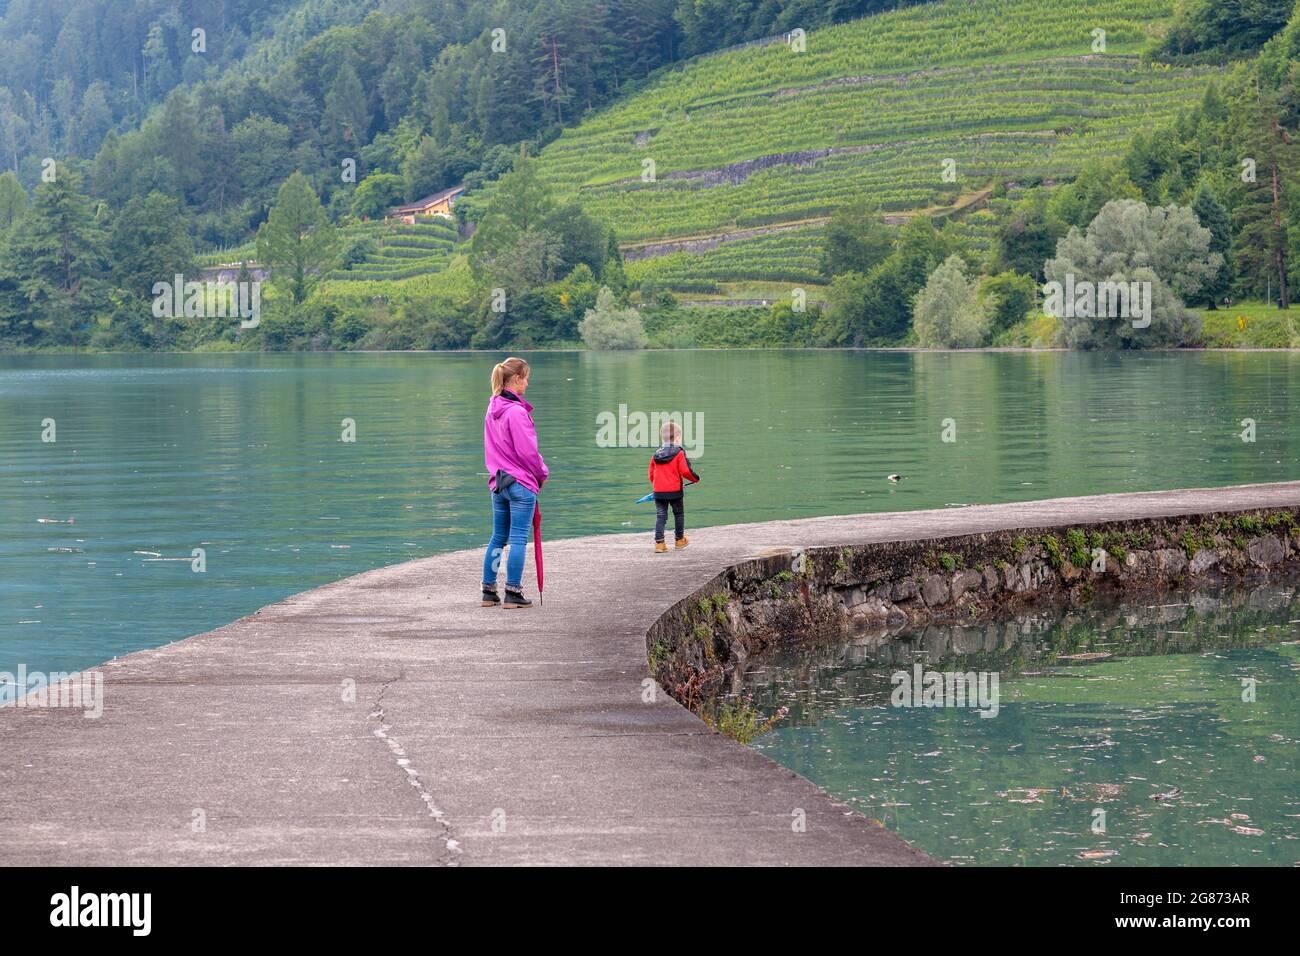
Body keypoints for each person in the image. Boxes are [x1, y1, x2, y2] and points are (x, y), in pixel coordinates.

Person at [481, 357, 548, 608]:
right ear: (517, 379)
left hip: (498, 484)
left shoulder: (491, 409)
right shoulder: (517, 412)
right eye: (526, 378)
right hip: (520, 484)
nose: (528, 384)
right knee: (518, 538)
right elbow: (528, 453)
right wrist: (542, 473)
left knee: (498, 536)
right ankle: (513, 592)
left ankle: (488, 590)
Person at [648, 421, 700, 553]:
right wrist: (695, 479)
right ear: (677, 438)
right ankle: (679, 540)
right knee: (678, 514)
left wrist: (658, 485)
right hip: (675, 491)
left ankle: (659, 544)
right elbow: (685, 471)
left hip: (658, 492)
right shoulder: (679, 453)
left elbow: (651, 475)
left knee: (661, 515)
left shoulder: (656, 454)